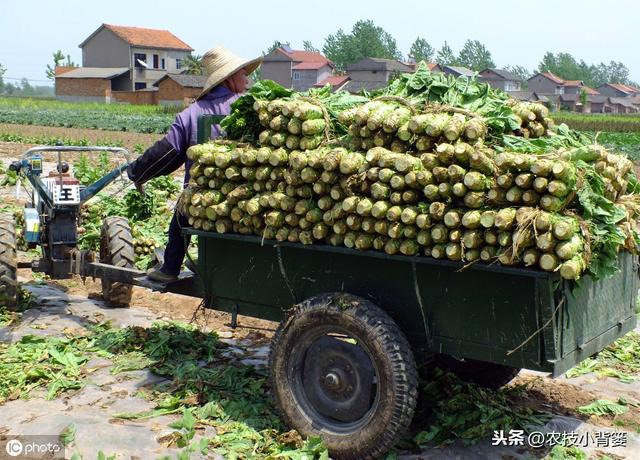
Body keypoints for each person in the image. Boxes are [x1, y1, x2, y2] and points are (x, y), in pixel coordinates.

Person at [126, 46, 261, 282]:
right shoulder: (253, 109)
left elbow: (166, 153)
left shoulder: (191, 114)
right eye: (243, 74)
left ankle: (170, 269)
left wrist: (137, 172)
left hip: (202, 199)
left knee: (180, 217)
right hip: (248, 197)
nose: (247, 80)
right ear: (229, 79)